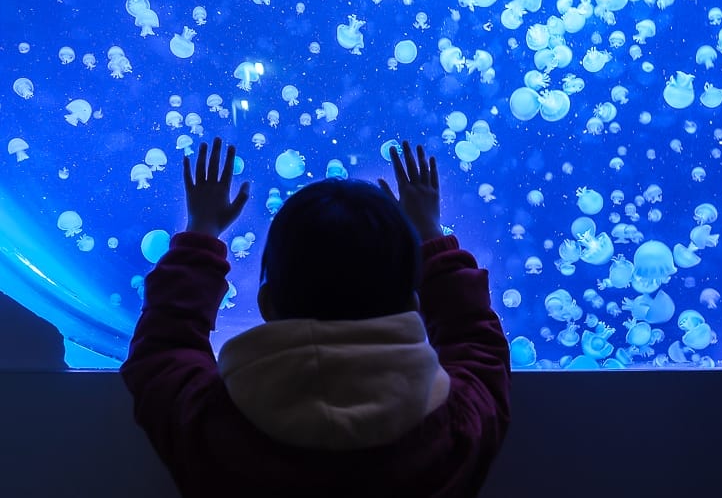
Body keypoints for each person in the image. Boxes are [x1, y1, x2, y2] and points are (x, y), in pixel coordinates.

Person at [120, 137, 511, 498]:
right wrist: (430, 233)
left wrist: (202, 232)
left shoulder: (212, 426)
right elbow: (476, 343)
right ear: (415, 305)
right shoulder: (454, 428)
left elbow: (164, 347)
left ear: (267, 303)